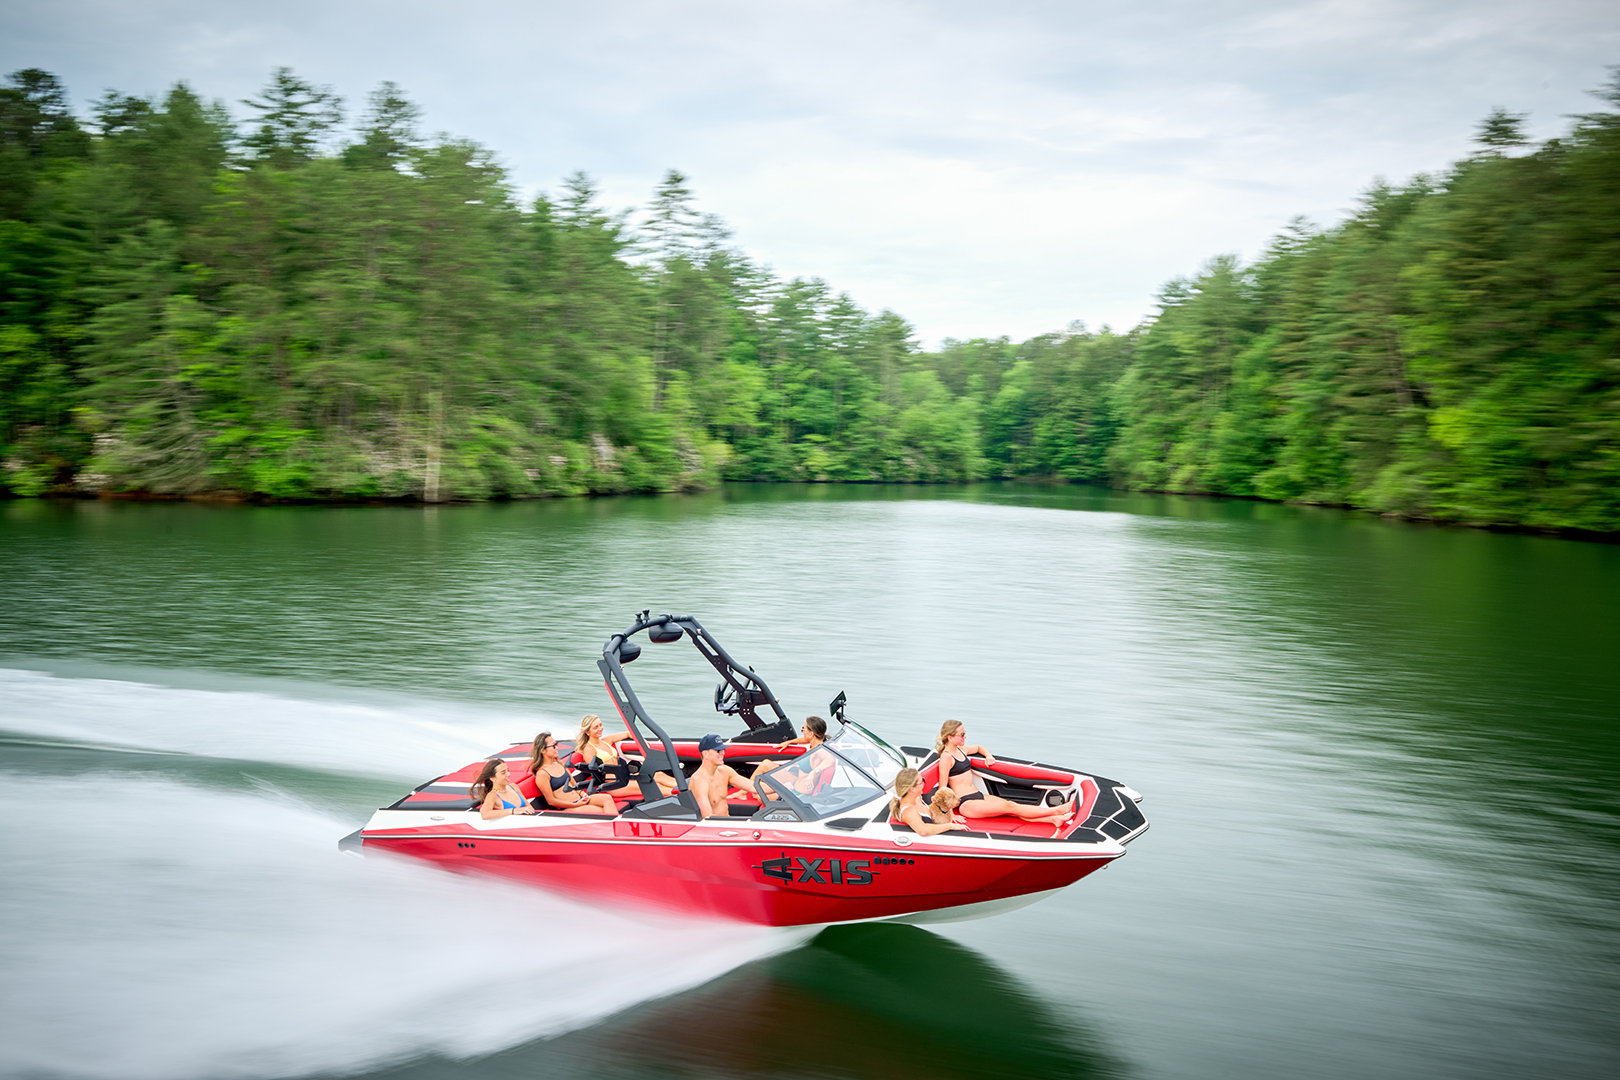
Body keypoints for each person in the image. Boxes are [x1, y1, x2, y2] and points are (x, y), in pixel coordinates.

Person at [936, 719, 1072, 826]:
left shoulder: (961, 750)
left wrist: (988, 755)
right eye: (962, 735)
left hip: (978, 795)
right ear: (950, 737)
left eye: (965, 733)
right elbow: (942, 790)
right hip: (966, 803)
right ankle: (1057, 810)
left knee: (1014, 807)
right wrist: (950, 814)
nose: (965, 737)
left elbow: (978, 747)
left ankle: (1053, 819)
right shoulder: (946, 757)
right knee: (1010, 806)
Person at [574, 713, 678, 797]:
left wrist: (641, 741)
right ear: (588, 732)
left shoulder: (605, 741)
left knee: (658, 775)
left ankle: (684, 786)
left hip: (623, 776)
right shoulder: (589, 749)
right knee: (653, 785)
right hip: (613, 784)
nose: (600, 728)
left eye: (600, 725)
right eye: (595, 727)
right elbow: (596, 774)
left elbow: (628, 733)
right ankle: (681, 796)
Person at [531, 731, 619, 815]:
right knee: (602, 811)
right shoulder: (542, 774)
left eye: (556, 744)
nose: (557, 747)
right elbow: (551, 801)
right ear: (543, 750)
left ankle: (617, 824)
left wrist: (583, 794)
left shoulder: (560, 764)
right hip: (567, 807)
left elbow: (574, 785)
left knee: (607, 799)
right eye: (553, 746)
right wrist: (575, 805)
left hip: (579, 800)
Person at [752, 716, 832, 801]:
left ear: (811, 734)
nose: (802, 731)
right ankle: (743, 792)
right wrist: (789, 742)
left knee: (761, 797)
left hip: (797, 794)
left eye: (803, 729)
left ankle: (750, 790)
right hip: (795, 782)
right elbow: (805, 739)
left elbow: (830, 759)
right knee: (766, 764)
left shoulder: (819, 750)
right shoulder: (816, 742)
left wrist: (814, 771)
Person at [687, 734, 756, 817]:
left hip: (726, 820)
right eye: (718, 750)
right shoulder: (699, 780)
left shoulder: (724, 771)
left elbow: (754, 787)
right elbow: (707, 817)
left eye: (723, 749)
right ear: (705, 754)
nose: (723, 753)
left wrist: (771, 785)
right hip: (716, 824)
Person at [889, 766, 966, 836]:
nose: (924, 783)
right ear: (912, 789)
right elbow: (923, 831)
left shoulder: (916, 797)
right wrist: (951, 826)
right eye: (922, 781)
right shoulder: (909, 811)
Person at [469, 758, 538, 820]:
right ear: (492, 778)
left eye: (508, 770)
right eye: (503, 773)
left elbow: (528, 806)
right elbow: (485, 814)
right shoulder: (493, 795)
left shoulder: (513, 787)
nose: (508, 774)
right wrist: (513, 811)